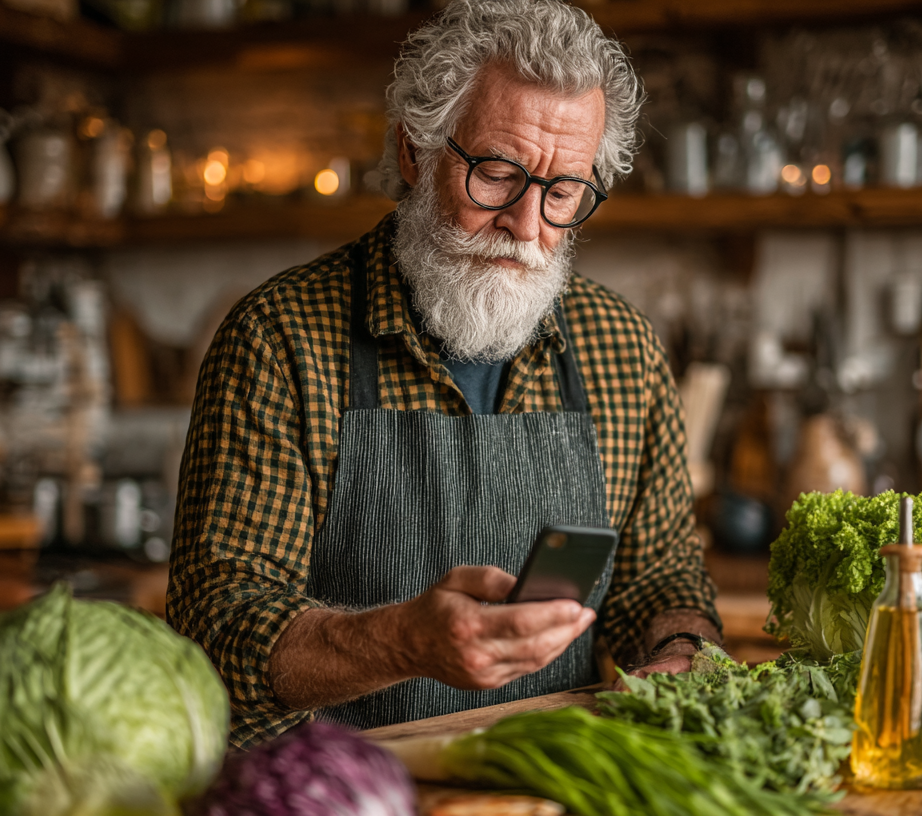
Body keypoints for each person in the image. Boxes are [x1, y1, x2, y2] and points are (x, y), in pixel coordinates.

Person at [168, 0, 722, 747]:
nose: (528, 228)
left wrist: (679, 654)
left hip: (542, 790)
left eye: (562, 194)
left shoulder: (621, 347)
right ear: (413, 150)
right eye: (496, 175)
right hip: (341, 793)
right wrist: (404, 642)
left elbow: (658, 577)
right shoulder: (280, 339)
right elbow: (217, 630)